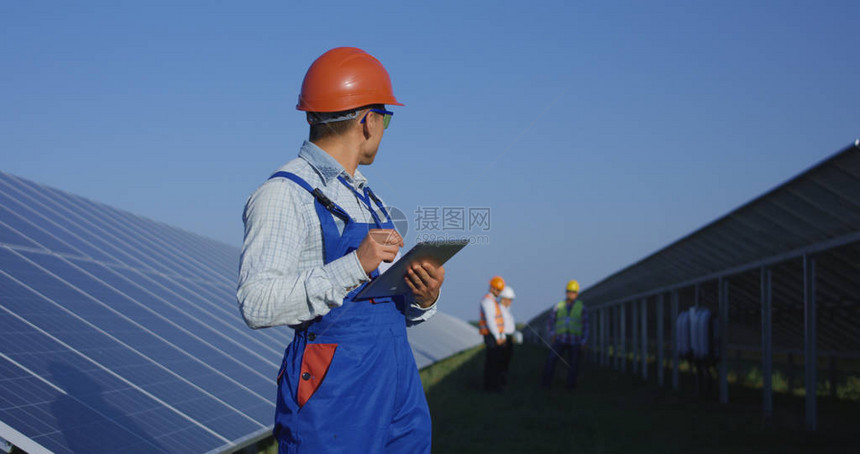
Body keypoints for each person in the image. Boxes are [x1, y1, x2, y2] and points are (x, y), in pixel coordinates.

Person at [237, 47, 445, 453]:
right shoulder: (283, 194)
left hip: (395, 382)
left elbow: (380, 303)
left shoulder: (368, 196)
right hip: (335, 392)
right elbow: (256, 303)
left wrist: (423, 297)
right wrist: (354, 265)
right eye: (385, 118)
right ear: (368, 121)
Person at [541, 280, 589, 390]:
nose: (571, 294)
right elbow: (550, 322)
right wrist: (552, 334)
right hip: (560, 339)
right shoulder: (559, 306)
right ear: (566, 292)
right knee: (551, 360)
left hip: (575, 341)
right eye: (569, 291)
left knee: (573, 364)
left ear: (577, 293)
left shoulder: (582, 307)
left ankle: (570, 387)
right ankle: (546, 385)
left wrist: (584, 341)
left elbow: (586, 326)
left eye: (573, 292)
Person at [479, 276, 506, 391]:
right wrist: (497, 337)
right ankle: (490, 387)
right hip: (491, 336)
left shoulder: (493, 301)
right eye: (498, 290)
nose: (499, 293)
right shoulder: (488, 302)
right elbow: (491, 321)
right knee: (492, 362)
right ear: (493, 288)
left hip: (494, 335)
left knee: (495, 361)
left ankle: (493, 385)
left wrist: (502, 335)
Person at [499, 285, 516, 387]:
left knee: (506, 361)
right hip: (503, 339)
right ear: (504, 298)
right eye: (509, 299)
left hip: (508, 338)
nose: (511, 302)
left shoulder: (506, 310)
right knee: (501, 362)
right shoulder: (499, 310)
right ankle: (500, 382)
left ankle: (503, 380)